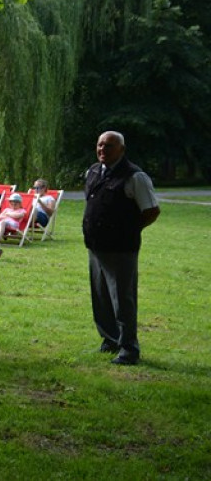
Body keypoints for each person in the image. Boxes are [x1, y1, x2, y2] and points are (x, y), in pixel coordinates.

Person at [82, 131, 160, 365]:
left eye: (109, 146)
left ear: (121, 150)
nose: (103, 150)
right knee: (101, 297)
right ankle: (109, 340)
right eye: (100, 145)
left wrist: (128, 231)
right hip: (96, 247)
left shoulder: (135, 177)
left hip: (121, 249)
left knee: (122, 299)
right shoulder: (93, 171)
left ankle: (129, 348)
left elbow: (151, 211)